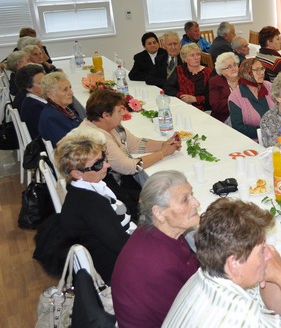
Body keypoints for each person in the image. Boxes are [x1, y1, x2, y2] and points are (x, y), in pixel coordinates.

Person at [162, 198, 281, 327]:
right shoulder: (245, 317)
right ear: (234, 263)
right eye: (261, 251)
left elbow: (273, 309)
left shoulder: (203, 276)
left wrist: (273, 275)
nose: (269, 254)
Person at [111, 171, 200, 328]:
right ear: (159, 213)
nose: (196, 203)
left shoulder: (157, 232)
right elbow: (187, 316)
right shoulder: (158, 264)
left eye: (191, 195)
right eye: (185, 200)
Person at [80, 89, 181, 217]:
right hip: (111, 191)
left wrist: (164, 144)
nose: (124, 113)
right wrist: (162, 154)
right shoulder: (97, 137)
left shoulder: (108, 125)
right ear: (106, 115)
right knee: (162, 196)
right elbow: (129, 167)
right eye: (119, 110)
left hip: (117, 182)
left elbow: (135, 144)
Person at [55, 129, 133, 283]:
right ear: (77, 174)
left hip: (120, 249)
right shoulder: (90, 203)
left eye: (103, 158)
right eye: (98, 164)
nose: (107, 165)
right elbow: (121, 245)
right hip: (117, 267)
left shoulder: (91, 185)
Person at [229, 57, 275, 141]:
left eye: (262, 69)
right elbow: (238, 127)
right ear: (246, 73)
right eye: (257, 70)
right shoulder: (235, 97)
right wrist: (265, 131)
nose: (262, 73)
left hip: (278, 137)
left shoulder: (269, 86)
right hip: (253, 141)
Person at [39, 72, 84, 145]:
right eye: (65, 90)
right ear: (51, 95)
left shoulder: (63, 108)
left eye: (70, 88)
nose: (71, 93)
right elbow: (68, 146)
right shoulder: (51, 118)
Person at [165, 43, 213, 111]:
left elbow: (213, 95)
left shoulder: (208, 72)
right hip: (183, 107)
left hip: (204, 109)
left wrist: (195, 99)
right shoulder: (179, 70)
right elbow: (167, 87)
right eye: (192, 55)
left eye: (198, 54)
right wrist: (182, 95)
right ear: (184, 59)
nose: (196, 58)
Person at [16, 64, 46, 137]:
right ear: (29, 88)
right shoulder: (34, 108)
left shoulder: (35, 100)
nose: (47, 84)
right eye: (41, 83)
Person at [208, 52, 240, 122]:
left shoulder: (244, 79)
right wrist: (238, 100)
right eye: (229, 67)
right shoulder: (215, 81)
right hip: (223, 119)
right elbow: (215, 105)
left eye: (235, 65)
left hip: (244, 119)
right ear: (222, 71)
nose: (233, 68)